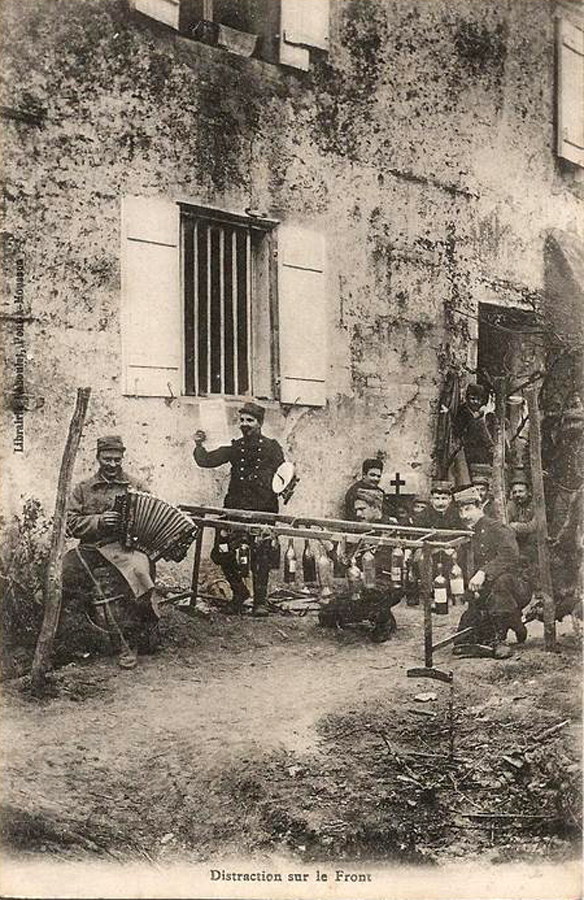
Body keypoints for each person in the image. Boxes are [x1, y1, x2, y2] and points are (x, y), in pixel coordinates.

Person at [63, 435, 163, 669]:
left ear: (122, 458)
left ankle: (131, 642)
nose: (112, 465)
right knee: (63, 573)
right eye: (107, 459)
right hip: (91, 547)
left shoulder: (136, 486)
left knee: (139, 575)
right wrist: (98, 521)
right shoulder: (83, 488)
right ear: (98, 458)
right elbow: (69, 523)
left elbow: (152, 516)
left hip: (125, 548)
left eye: (117, 460)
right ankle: (71, 640)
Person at [193, 401, 285, 617]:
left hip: (263, 508)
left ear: (259, 423)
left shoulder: (272, 447)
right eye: (242, 420)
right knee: (221, 551)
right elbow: (207, 460)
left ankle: (260, 602)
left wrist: (287, 485)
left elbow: (285, 475)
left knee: (261, 554)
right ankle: (240, 592)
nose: (245, 424)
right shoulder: (235, 447)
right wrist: (199, 444)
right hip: (234, 508)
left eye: (250, 420)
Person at [453, 485, 530, 658]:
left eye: (468, 509)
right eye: (460, 511)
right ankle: (515, 621)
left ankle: (500, 639)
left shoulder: (497, 528)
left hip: (515, 587)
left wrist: (483, 573)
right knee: (464, 640)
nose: (464, 515)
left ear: (480, 507)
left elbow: (510, 556)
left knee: (501, 584)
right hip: (486, 591)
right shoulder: (467, 534)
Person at [318, 495, 400, 643]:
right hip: (360, 582)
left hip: (387, 582)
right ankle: (371, 612)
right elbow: (345, 563)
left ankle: (384, 621)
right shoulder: (360, 529)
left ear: (376, 508)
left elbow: (384, 562)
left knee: (373, 595)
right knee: (326, 615)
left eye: (362, 509)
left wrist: (362, 575)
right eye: (356, 510)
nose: (358, 514)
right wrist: (329, 546)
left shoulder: (390, 528)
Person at [453, 384, 496, 469]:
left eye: (478, 399)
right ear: (467, 398)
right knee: (480, 423)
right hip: (466, 447)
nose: (476, 402)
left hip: (476, 446)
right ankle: (491, 447)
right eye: (473, 399)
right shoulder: (463, 411)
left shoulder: (475, 412)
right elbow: (460, 430)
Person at [507, 472, 537, 571]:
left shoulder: (536, 504)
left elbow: (533, 526)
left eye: (521, 491)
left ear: (528, 492)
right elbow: (506, 525)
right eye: (515, 492)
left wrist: (515, 526)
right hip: (517, 545)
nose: (517, 495)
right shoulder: (511, 505)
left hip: (533, 547)